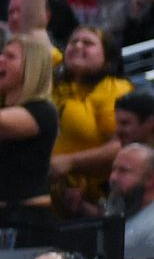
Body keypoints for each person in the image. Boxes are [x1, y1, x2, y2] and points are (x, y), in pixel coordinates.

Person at [49, 26, 133, 208]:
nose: (77, 46)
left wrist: (71, 162)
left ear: (107, 59)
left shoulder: (113, 89)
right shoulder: (60, 84)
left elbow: (123, 144)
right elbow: (36, 37)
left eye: (88, 43)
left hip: (95, 201)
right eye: (73, 42)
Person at [0, 37, 60, 227]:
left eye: (10, 56)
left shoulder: (42, 110)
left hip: (28, 219)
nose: (1, 59)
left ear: (31, 68)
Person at [106, 144, 154, 259]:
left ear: (150, 179)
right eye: (113, 169)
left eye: (123, 171)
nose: (113, 177)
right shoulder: (123, 211)